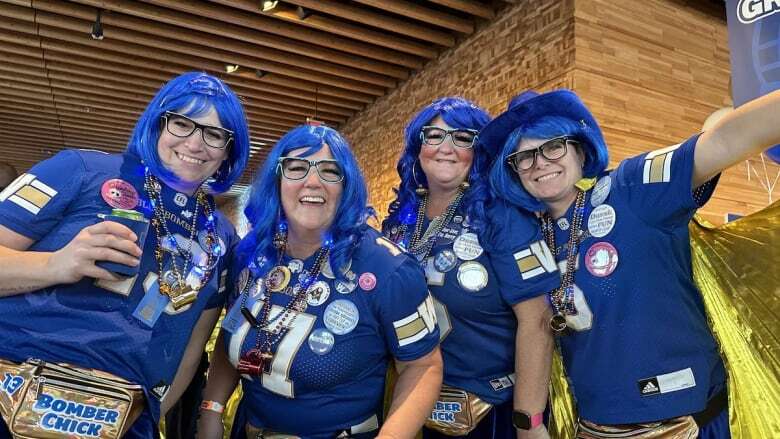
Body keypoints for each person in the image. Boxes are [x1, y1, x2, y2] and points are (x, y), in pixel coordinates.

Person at [482, 88, 780, 437]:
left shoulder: (631, 188)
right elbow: (534, 328)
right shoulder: (527, 237)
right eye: (525, 157)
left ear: (580, 148)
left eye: (552, 145)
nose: (540, 163)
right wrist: (528, 422)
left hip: (692, 421)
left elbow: (725, 140)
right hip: (596, 426)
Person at [0, 71, 250, 438]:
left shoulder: (221, 235)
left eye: (214, 134)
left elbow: (193, 342)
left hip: (123, 417)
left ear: (229, 149)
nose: (196, 144)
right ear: (158, 123)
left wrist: (149, 413)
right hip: (13, 393)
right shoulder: (79, 169)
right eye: (182, 123)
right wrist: (55, 264)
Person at [197, 124, 443, 439]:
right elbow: (233, 331)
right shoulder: (253, 252)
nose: (312, 182)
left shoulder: (387, 268)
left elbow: (423, 367)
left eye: (329, 171)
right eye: (296, 168)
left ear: (347, 185)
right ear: (277, 180)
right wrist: (212, 409)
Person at [382, 97, 560, 439]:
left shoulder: (501, 216)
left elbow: (537, 319)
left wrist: (529, 422)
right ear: (418, 147)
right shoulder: (399, 221)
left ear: (478, 151)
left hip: (493, 410)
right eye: (434, 136)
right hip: (410, 403)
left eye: (462, 138)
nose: (446, 148)